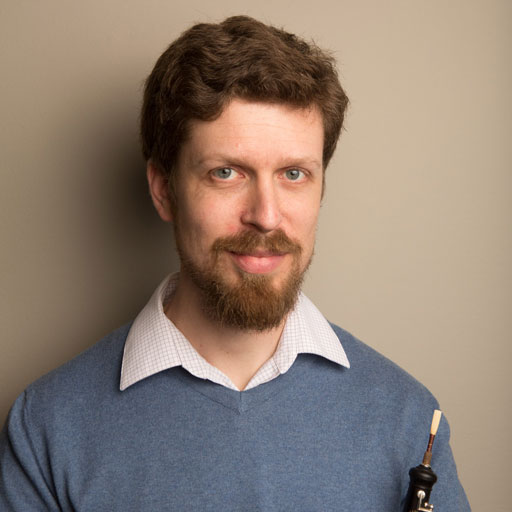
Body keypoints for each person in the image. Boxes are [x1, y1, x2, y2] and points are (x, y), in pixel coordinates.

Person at [0, 15, 470, 511]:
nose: (265, 216)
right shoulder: (46, 429)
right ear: (163, 191)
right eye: (226, 172)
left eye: (294, 174)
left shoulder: (409, 419)